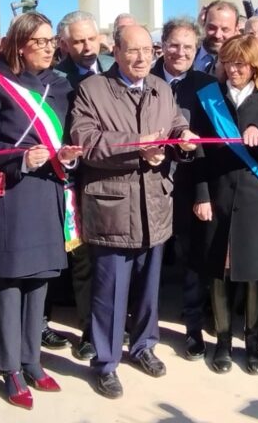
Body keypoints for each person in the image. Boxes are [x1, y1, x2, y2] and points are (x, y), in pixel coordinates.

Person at [69, 24, 197, 398]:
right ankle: (106, 362)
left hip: (153, 203)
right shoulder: (92, 90)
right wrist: (137, 145)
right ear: (116, 51)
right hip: (112, 206)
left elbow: (174, 123)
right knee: (110, 291)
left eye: (148, 50)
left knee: (148, 288)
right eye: (133, 50)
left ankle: (144, 346)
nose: (142, 58)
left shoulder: (159, 88)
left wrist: (182, 138)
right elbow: (86, 142)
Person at [0, 12, 83, 408]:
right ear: (19, 45)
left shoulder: (60, 86)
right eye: (41, 42)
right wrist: (21, 158)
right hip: (12, 192)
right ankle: (8, 366)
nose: (50, 48)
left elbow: (65, 138)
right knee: (10, 282)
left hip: (48, 188)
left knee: (40, 281)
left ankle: (31, 359)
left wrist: (67, 157)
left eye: (53, 41)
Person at [191, 34, 258, 376]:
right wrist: (202, 196)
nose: (233, 69)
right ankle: (222, 343)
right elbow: (199, 154)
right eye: (228, 62)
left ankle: (253, 344)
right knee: (219, 274)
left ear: (254, 66)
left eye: (240, 63)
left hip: (256, 197)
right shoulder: (208, 98)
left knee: (256, 275)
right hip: (218, 195)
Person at [50, 10, 115, 361]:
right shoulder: (57, 80)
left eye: (91, 38)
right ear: (64, 44)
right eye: (78, 40)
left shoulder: (113, 66)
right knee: (85, 259)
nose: (87, 46)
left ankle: (116, 322)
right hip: (78, 179)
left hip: (118, 178)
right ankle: (90, 330)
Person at [151, 17, 215, 361]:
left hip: (190, 183)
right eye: (174, 44)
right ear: (162, 44)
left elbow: (212, 140)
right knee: (149, 258)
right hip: (147, 183)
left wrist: (204, 193)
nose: (181, 52)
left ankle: (193, 327)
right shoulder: (143, 78)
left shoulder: (206, 84)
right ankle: (143, 326)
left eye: (189, 46)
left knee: (192, 258)